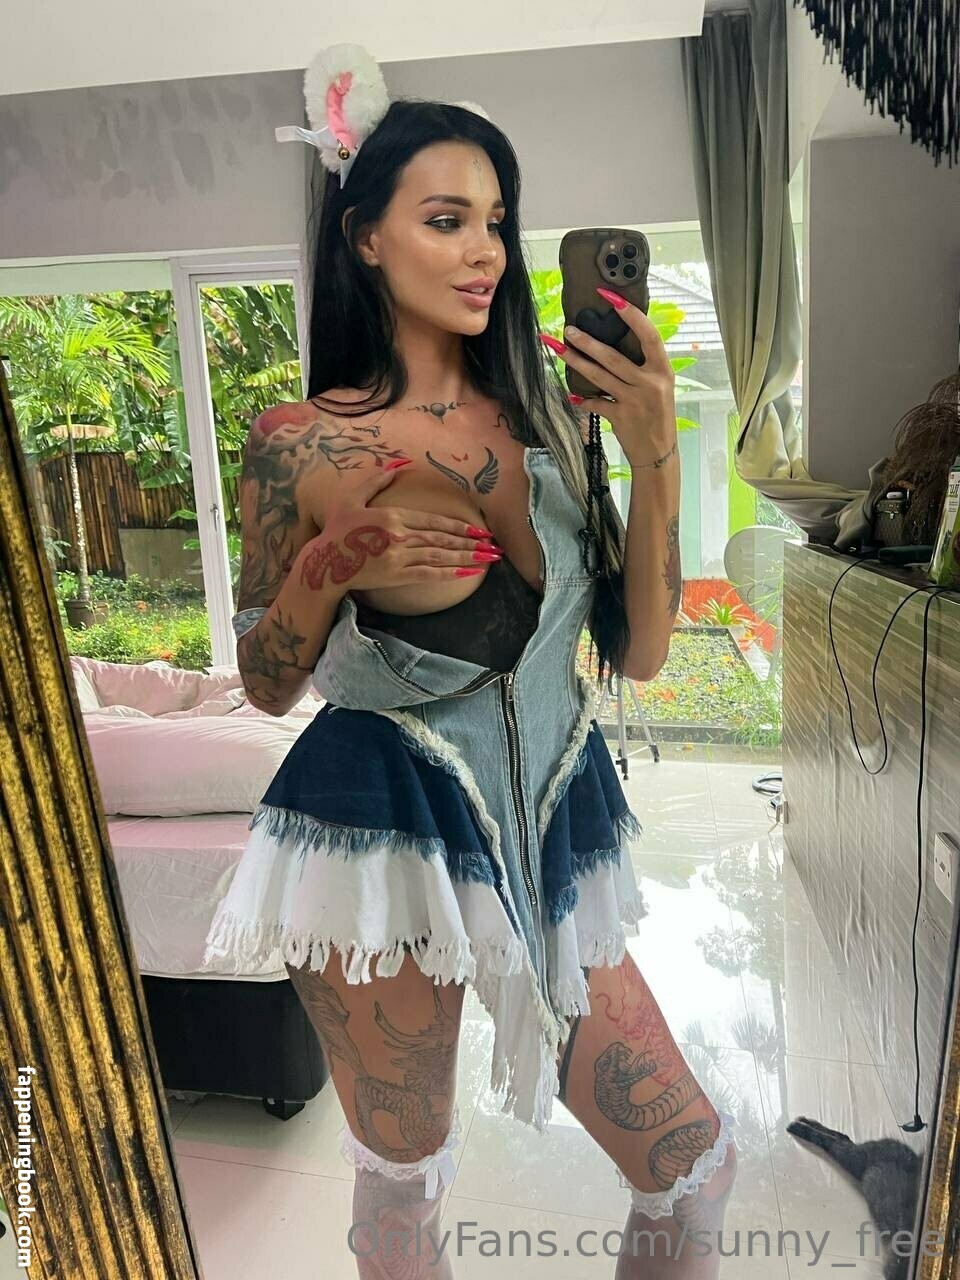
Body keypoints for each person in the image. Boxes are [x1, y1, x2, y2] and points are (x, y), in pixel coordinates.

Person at [201, 43, 737, 1278]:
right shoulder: (297, 441)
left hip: (552, 815)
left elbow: (645, 651)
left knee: (691, 1160)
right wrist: (336, 557)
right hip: (375, 834)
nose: (486, 249)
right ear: (367, 239)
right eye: (447, 219)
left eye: (496, 220)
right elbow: (265, 681)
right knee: (402, 1193)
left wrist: (655, 449)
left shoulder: (551, 413)